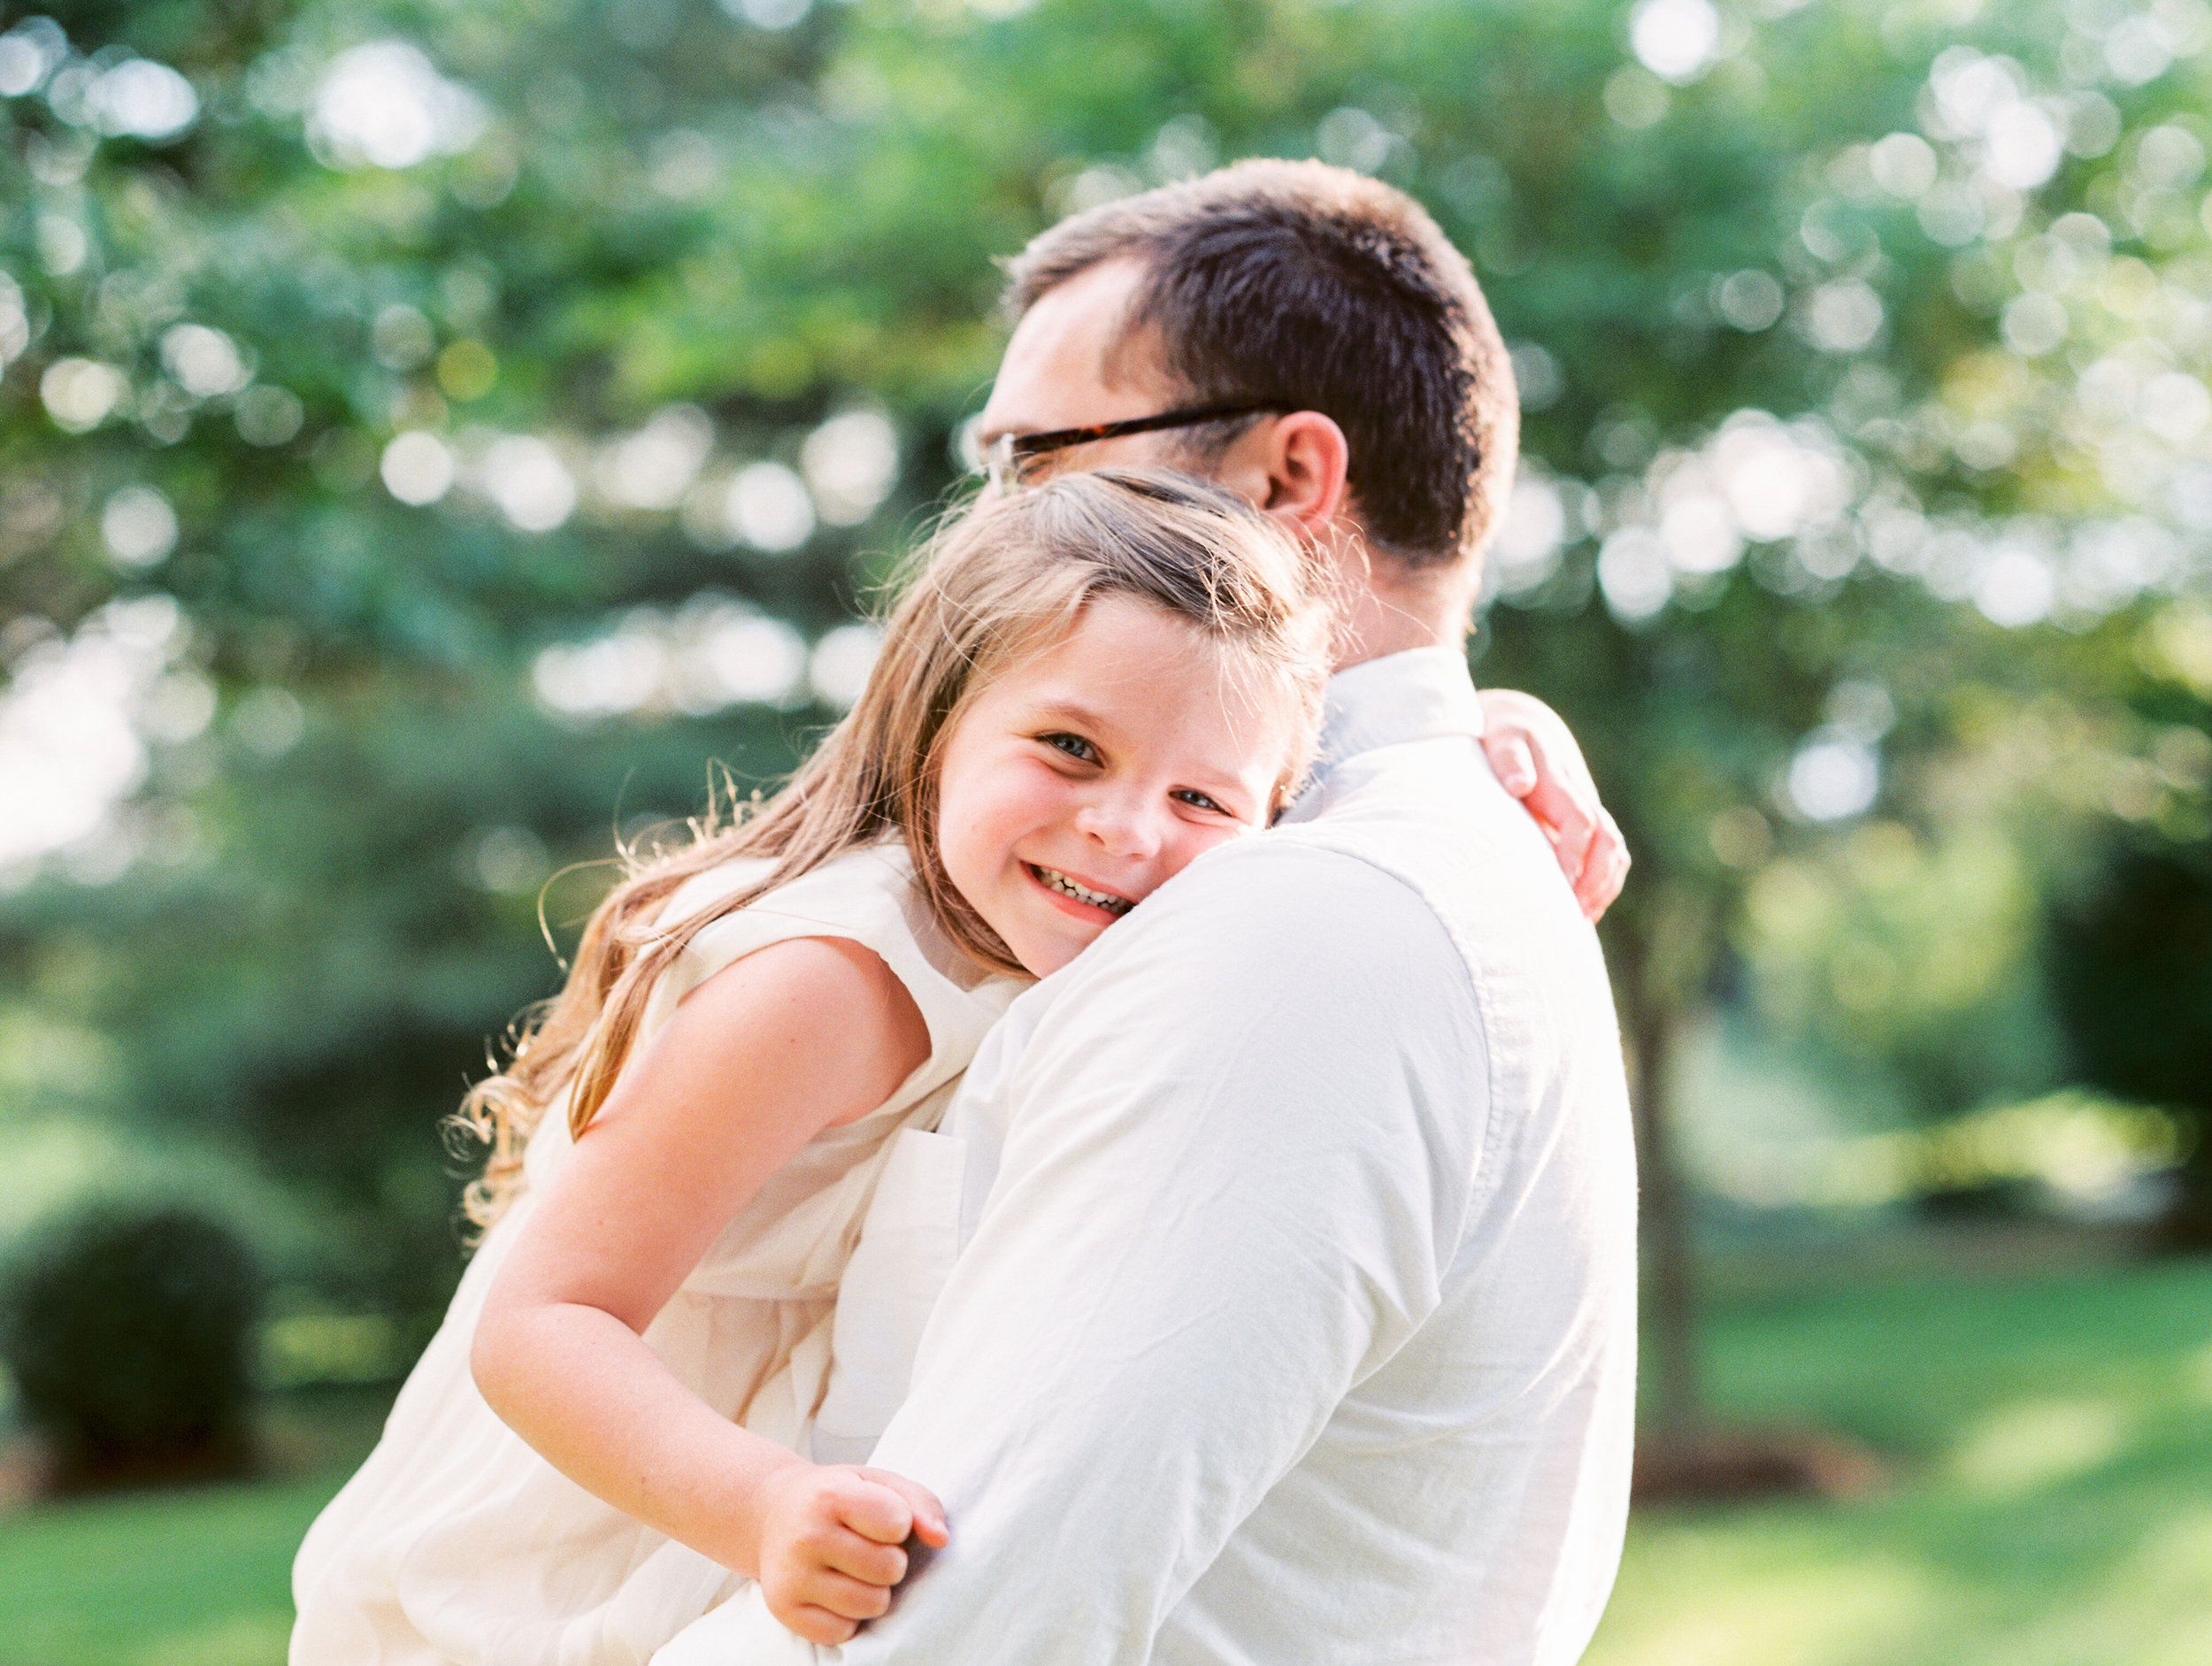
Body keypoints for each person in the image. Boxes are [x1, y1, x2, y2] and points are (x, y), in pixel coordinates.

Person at [655, 158, 1638, 1666]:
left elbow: (952, 1620)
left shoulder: (1307, 932)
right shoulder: (1389, 856)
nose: (990, 522)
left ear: (1287, 483)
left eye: (1037, 455)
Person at [288, 469, 1342, 1662]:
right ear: (940, 724)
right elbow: (542, 1323)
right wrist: (763, 1505)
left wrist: (1504, 734)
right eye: (1069, 747)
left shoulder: (1064, 956)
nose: (1128, 828)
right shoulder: (828, 986)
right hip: (528, 1586)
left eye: (1202, 797)